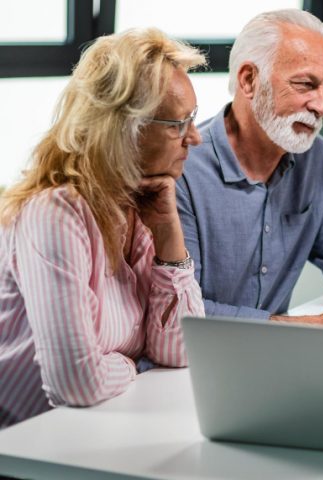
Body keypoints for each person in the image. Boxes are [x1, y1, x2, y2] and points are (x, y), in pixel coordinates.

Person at [0, 28, 206, 429]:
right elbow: (75, 384)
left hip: (88, 431)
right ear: (124, 128)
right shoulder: (55, 213)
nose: (194, 138)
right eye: (178, 124)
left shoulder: (143, 203)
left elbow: (179, 350)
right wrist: (131, 363)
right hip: (18, 444)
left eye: (193, 119)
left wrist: (168, 234)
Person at [176, 9, 323, 330]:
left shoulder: (314, 158)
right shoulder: (183, 167)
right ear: (249, 80)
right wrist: (310, 325)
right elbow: (180, 312)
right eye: (306, 85)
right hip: (187, 364)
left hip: (275, 362)